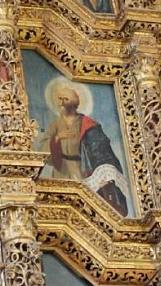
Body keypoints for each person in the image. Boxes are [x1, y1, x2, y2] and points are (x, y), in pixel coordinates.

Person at [40, 81, 130, 215]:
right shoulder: (55, 124)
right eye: (60, 99)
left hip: (80, 168)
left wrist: (104, 173)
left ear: (75, 103)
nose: (62, 103)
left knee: (83, 204)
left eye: (66, 99)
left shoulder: (87, 124)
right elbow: (43, 147)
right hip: (61, 169)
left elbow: (100, 149)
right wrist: (57, 138)